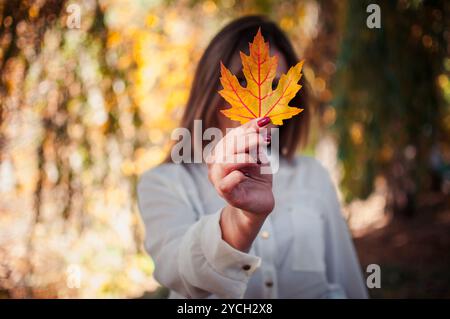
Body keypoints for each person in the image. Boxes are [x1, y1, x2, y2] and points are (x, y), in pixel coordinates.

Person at [137, 15, 368, 299]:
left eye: (277, 88)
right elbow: (180, 273)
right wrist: (240, 220)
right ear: (210, 87)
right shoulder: (164, 183)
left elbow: (346, 278)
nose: (262, 111)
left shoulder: (312, 175)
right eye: (243, 80)